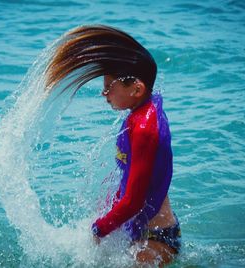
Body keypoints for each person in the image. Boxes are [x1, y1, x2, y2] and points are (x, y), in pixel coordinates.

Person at [45, 25, 181, 266]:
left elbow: (134, 201)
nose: (103, 93)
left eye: (109, 86)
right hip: (141, 232)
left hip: (156, 239)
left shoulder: (144, 127)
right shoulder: (141, 112)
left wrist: (98, 229)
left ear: (137, 89)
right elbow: (132, 179)